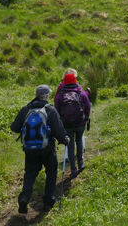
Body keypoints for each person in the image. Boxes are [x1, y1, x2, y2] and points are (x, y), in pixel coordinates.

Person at [11, 84, 69, 214]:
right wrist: (65, 139)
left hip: (30, 150)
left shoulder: (26, 109)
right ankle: (48, 201)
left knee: (30, 173)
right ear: (46, 95)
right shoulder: (50, 109)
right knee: (51, 172)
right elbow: (58, 130)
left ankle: (24, 198)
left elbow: (14, 127)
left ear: (37, 95)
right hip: (47, 149)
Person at [54, 69, 91, 179]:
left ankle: (73, 169)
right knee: (79, 141)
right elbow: (88, 105)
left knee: (70, 146)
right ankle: (80, 162)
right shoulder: (80, 92)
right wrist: (86, 117)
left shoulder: (60, 94)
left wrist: (60, 121)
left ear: (64, 81)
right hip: (80, 123)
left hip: (67, 125)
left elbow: (56, 108)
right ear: (75, 80)